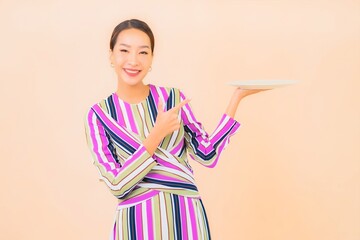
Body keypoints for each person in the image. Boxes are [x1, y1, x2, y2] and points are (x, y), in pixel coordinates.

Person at [84, 19, 264, 240]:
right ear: (111, 55)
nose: (133, 60)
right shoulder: (99, 115)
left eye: (143, 52)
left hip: (186, 218)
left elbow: (207, 154)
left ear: (151, 59)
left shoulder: (172, 99)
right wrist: (157, 134)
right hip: (136, 223)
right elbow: (117, 185)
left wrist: (238, 96)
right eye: (124, 50)